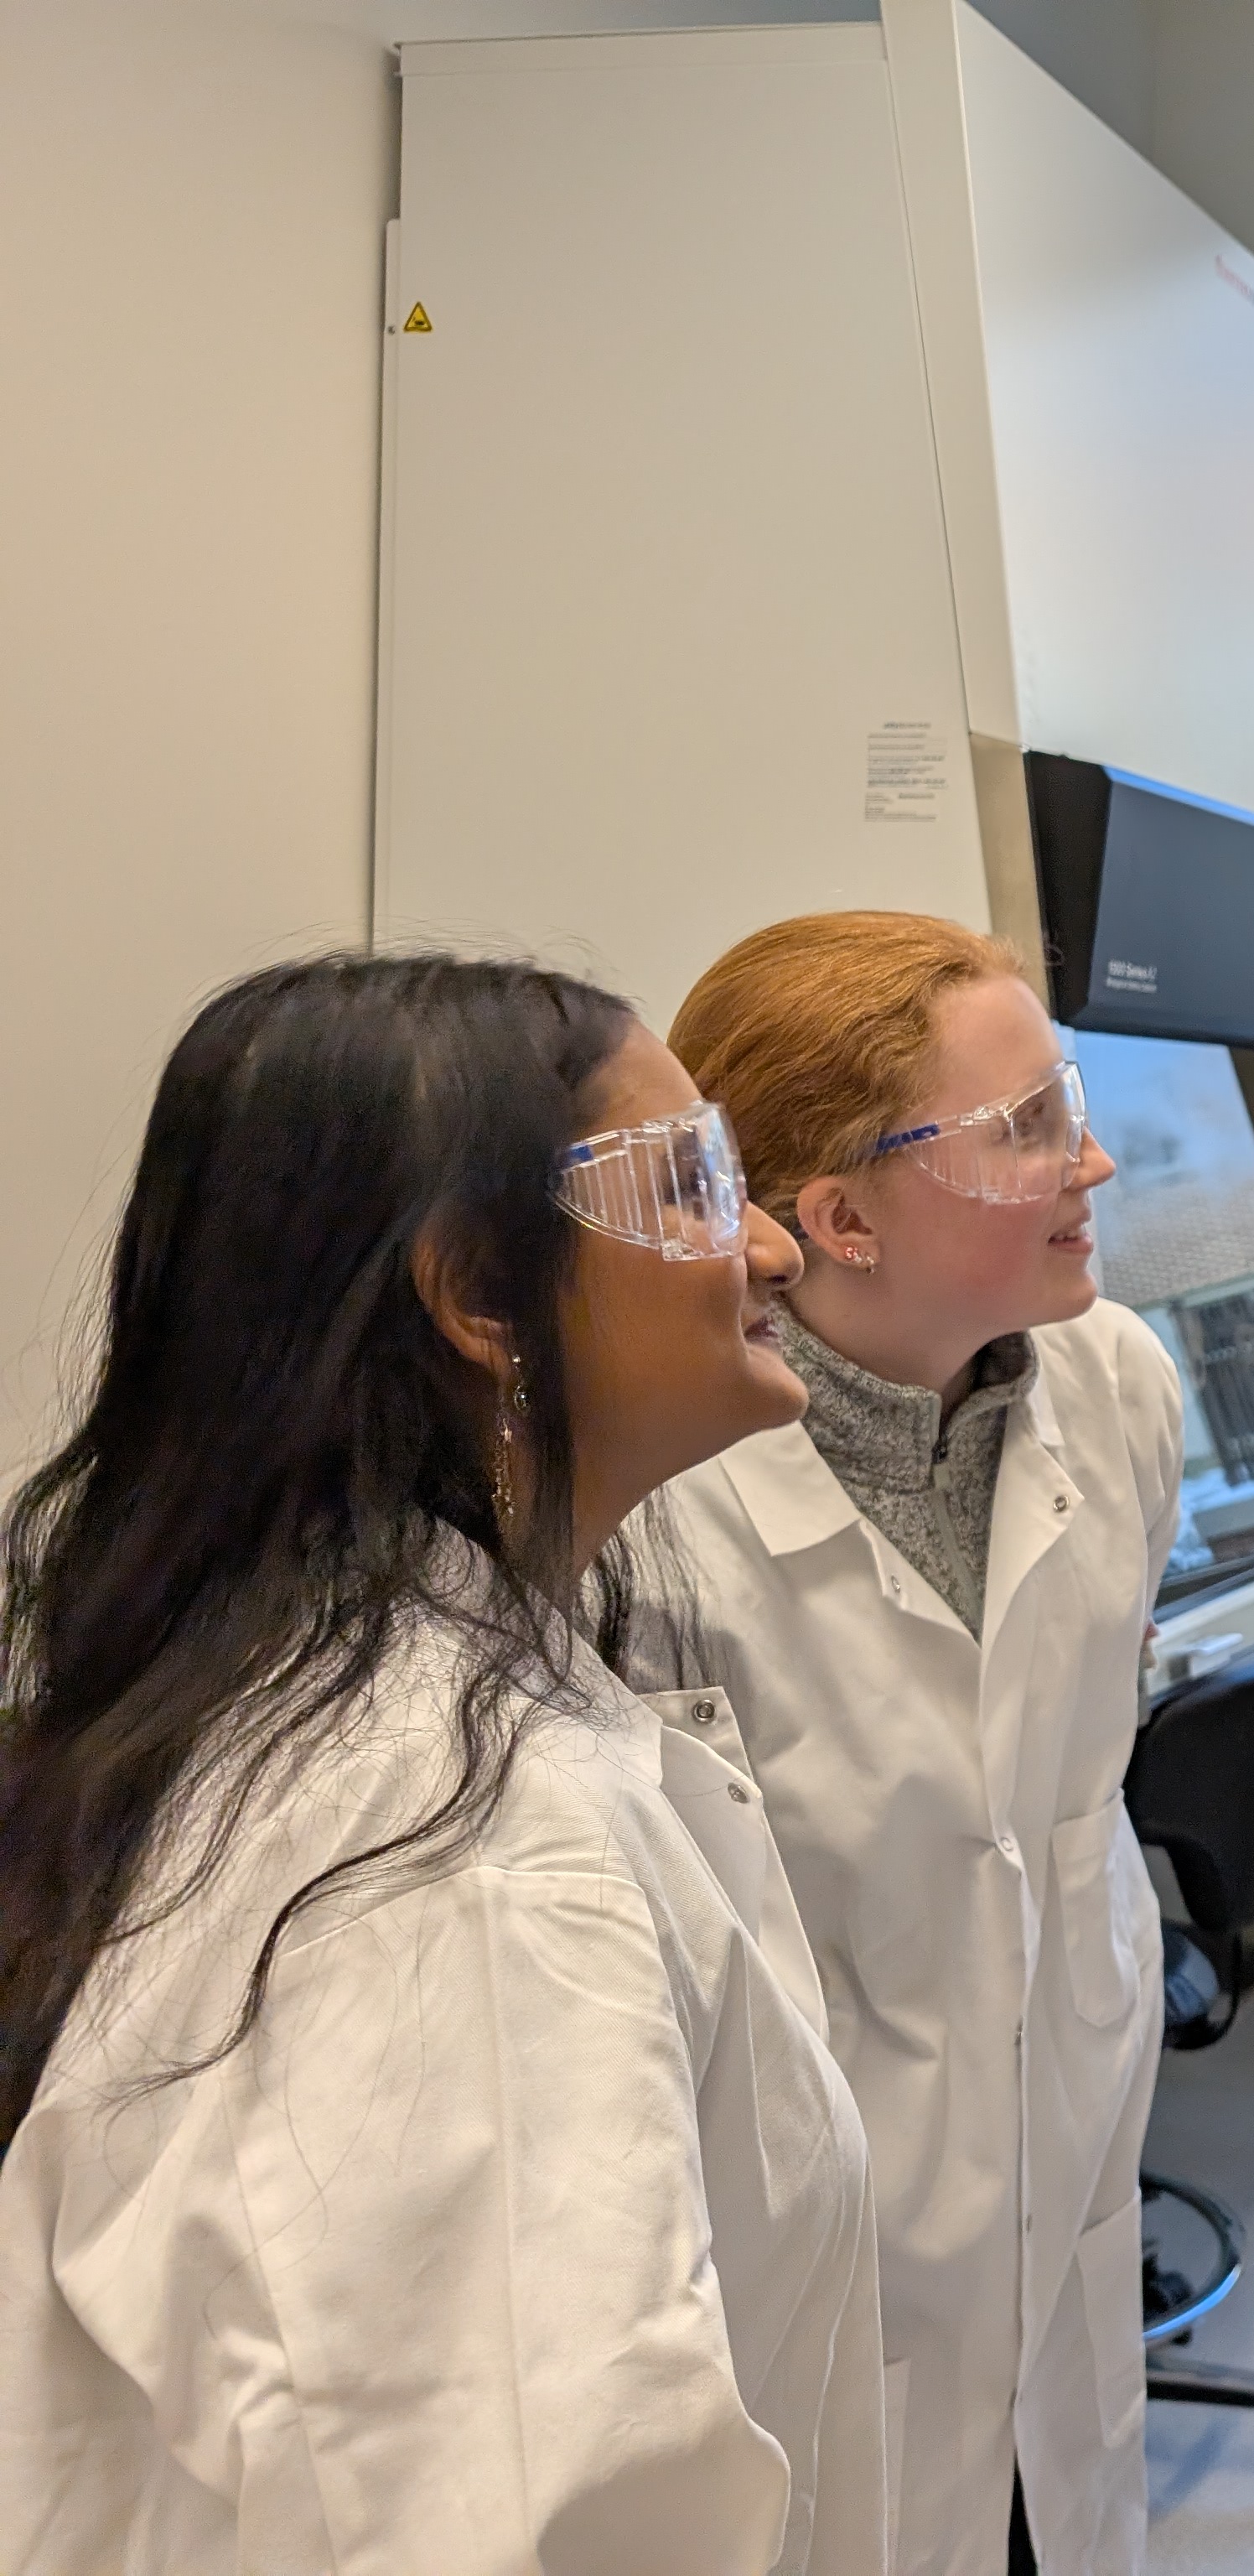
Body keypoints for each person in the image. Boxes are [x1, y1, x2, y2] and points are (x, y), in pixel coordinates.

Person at [0, 956, 882, 2575]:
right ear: (479, 1292)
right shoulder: (462, 1867)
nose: (768, 1247)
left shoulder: (345, 1694)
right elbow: (503, 2526)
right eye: (692, 1185)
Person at [637, 912, 1184, 2576]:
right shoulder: (657, 1499)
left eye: (1070, 1103)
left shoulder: (1119, 1387)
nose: (1091, 1160)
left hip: (1063, 2184)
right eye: (1026, 1128)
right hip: (801, 2264)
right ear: (842, 1220)